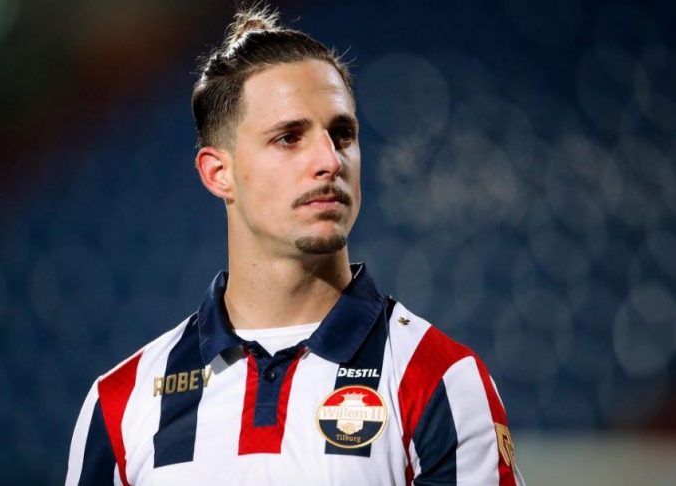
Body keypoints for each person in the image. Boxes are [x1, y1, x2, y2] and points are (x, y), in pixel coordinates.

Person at [66, 5, 524, 485]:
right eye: (288, 138)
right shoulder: (121, 405)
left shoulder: (441, 381)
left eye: (342, 134)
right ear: (218, 173)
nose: (330, 160)